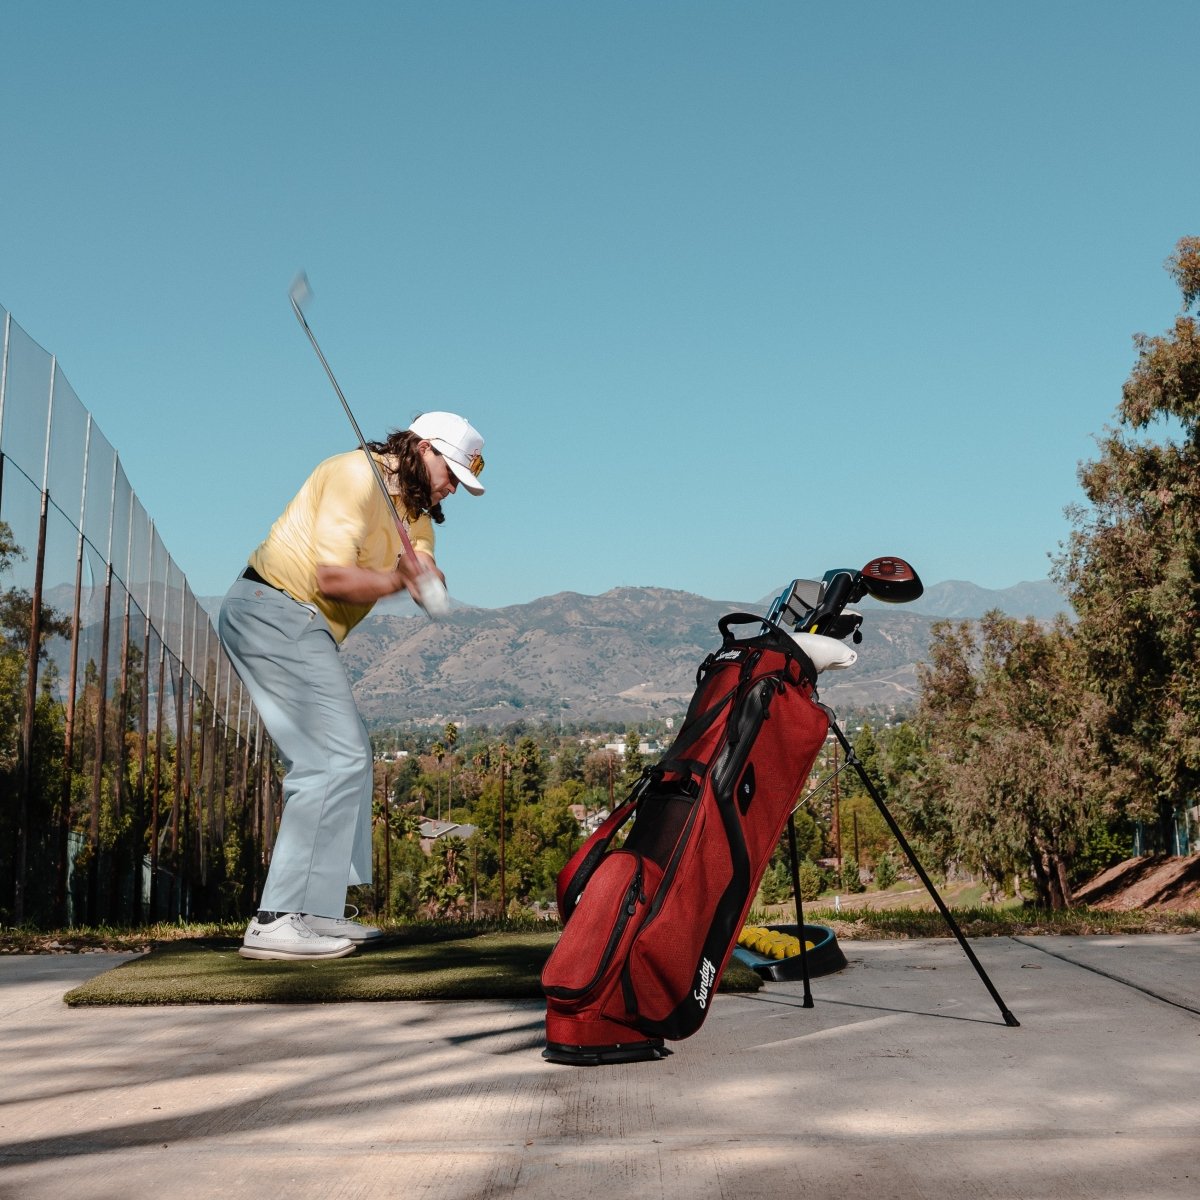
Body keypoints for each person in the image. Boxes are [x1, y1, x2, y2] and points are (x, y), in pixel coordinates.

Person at [219, 411, 485, 960]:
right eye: (452, 472)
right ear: (424, 449)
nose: (453, 487)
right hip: (275, 607)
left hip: (300, 622)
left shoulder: (416, 511)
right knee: (330, 759)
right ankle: (275, 920)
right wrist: (396, 578)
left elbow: (423, 567)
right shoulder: (355, 476)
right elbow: (330, 577)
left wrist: (427, 581)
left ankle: (314, 913)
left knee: (349, 757)